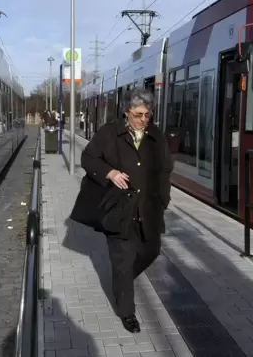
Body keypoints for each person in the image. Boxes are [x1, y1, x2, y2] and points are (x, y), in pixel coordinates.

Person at [76, 88, 173, 333]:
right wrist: (110, 173)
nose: (143, 120)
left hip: (148, 208)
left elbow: (165, 169)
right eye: (139, 114)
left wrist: (163, 200)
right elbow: (88, 158)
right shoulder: (110, 133)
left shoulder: (156, 135)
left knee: (151, 251)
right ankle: (127, 313)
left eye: (147, 115)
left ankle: (122, 283)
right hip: (118, 208)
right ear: (127, 111)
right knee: (122, 260)